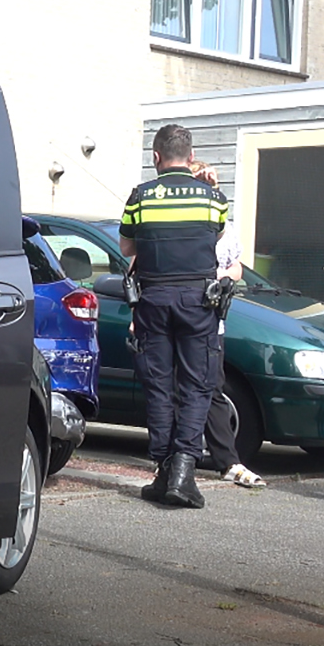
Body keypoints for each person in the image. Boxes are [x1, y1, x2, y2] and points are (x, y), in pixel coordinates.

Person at [122, 126, 230, 508]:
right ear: (191, 154)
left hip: (153, 298)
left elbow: (126, 245)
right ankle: (183, 472)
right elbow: (216, 237)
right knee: (198, 385)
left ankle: (165, 471)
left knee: (159, 386)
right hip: (198, 301)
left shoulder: (141, 196)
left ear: (156, 157)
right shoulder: (213, 198)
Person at [190, 161, 265, 490]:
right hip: (179, 317)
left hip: (211, 320)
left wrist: (221, 277)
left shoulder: (219, 219)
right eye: (200, 183)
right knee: (178, 392)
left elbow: (236, 268)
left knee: (212, 388)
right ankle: (177, 461)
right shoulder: (177, 220)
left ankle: (228, 462)